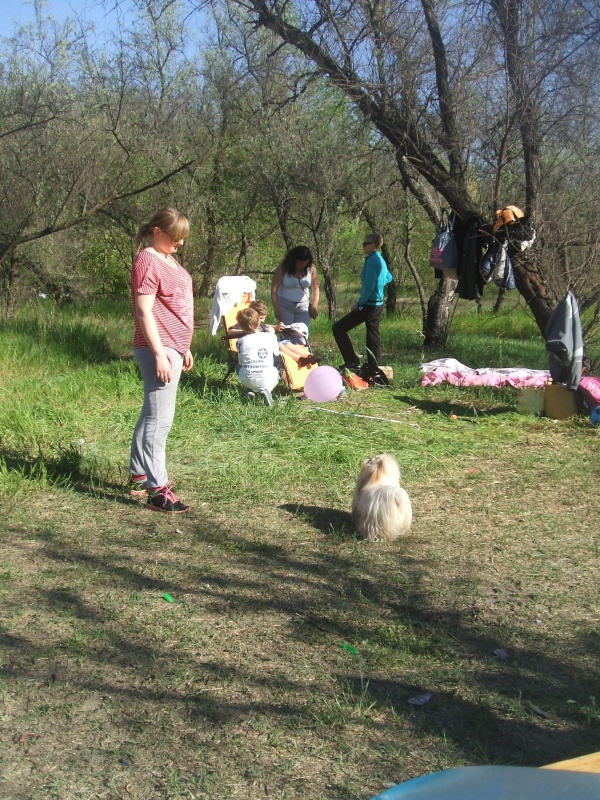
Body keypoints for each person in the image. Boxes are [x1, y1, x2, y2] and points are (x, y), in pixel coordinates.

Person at [127, 208, 194, 514]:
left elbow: (173, 307)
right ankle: (158, 491)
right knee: (160, 420)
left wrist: (184, 346)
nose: (179, 243)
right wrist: (159, 353)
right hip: (159, 348)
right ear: (157, 231)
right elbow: (144, 310)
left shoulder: (167, 259)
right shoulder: (148, 259)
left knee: (151, 414)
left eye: (183, 238)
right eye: (175, 237)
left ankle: (139, 474)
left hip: (172, 347)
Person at [332, 232, 392, 375]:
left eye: (365, 243)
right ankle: (373, 365)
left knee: (338, 328)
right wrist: (379, 287)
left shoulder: (372, 260)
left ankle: (352, 361)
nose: (363, 246)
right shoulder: (379, 259)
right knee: (372, 334)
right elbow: (389, 277)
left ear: (373, 245)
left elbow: (369, 286)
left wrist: (359, 304)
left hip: (369, 305)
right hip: (377, 304)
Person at [235, 307, 281, 406]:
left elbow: (241, 362)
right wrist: (272, 333)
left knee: (239, 366)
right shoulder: (270, 337)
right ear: (259, 322)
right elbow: (277, 354)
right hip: (268, 378)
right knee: (277, 363)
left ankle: (249, 389)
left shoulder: (240, 341)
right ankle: (267, 390)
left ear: (240, 326)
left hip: (247, 379)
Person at [271, 245, 320, 330]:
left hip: (303, 306)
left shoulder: (311, 268)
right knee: (286, 331)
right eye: (300, 263)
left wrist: (314, 307)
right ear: (294, 260)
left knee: (302, 332)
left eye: (305, 263)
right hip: (285, 304)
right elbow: (274, 289)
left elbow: (315, 289)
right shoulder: (283, 267)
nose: (303, 265)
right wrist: (276, 307)